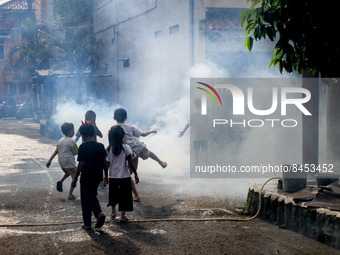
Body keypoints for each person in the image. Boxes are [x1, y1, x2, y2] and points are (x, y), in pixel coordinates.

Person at [113, 108, 167, 201]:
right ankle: (161, 162)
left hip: (127, 152)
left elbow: (113, 142)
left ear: (114, 118)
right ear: (126, 118)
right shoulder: (130, 127)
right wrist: (151, 130)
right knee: (148, 153)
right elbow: (143, 134)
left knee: (127, 174)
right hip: (137, 147)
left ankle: (136, 195)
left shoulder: (113, 129)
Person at [71, 123, 108, 230]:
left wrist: (75, 178)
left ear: (82, 136)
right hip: (97, 176)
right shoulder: (100, 146)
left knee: (86, 199)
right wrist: (106, 175)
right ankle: (98, 214)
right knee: (92, 195)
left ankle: (90, 221)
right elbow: (105, 162)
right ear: (94, 133)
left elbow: (80, 164)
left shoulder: (83, 147)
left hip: (86, 176)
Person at [106, 125, 139, 222]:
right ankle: (122, 217)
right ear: (122, 136)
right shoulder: (126, 147)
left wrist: (105, 176)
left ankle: (113, 212)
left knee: (113, 195)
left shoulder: (108, 149)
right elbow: (130, 161)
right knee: (125, 196)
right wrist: (136, 174)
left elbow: (107, 164)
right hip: (124, 176)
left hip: (112, 176)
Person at [46, 122, 78, 200]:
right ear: (71, 131)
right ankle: (70, 194)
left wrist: (49, 161)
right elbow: (76, 152)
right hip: (69, 163)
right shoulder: (72, 141)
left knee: (68, 172)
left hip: (62, 164)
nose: (74, 131)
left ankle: (61, 181)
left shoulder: (60, 141)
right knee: (75, 177)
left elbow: (56, 151)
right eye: (73, 130)